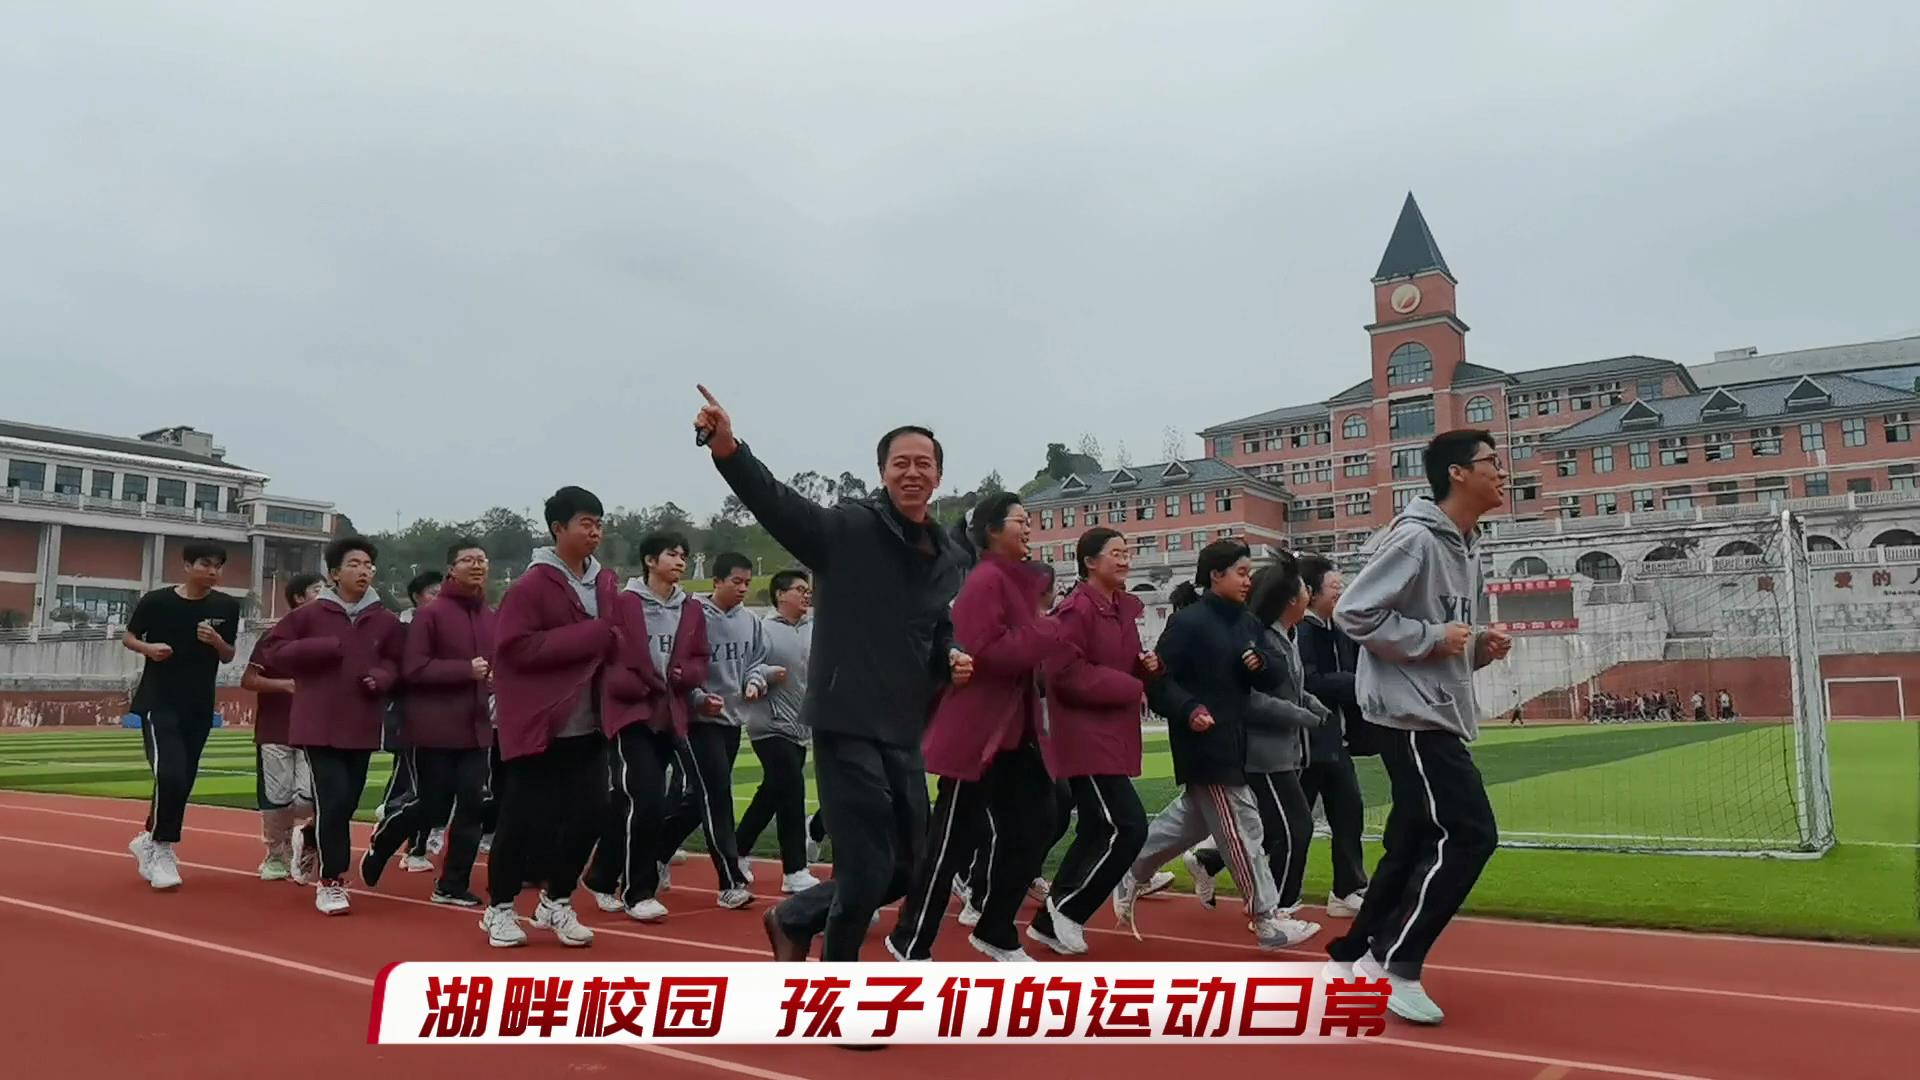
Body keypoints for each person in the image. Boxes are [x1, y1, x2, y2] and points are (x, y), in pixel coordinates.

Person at [695, 386, 967, 964]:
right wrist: (728, 449)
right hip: (846, 719)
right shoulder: (847, 531)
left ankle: (794, 916)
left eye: (924, 464)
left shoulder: (946, 558)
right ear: (883, 473)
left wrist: (950, 653)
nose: (912, 473)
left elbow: (936, 624)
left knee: (907, 865)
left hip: (905, 725)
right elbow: (778, 504)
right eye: (901, 464)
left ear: (939, 476)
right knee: (867, 871)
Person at [1324, 429, 1512, 1026]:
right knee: (1470, 833)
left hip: (1438, 708)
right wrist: (1434, 639)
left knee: (1410, 840)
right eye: (1491, 462)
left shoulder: (1467, 544)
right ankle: (1396, 965)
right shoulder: (1415, 540)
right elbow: (1354, 611)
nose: (1502, 471)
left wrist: (1477, 646)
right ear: (1458, 473)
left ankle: (1356, 953)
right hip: (1410, 716)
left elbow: (1447, 635)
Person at [890, 493, 1067, 962]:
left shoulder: (1015, 583)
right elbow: (986, 651)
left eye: (1031, 521)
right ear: (992, 530)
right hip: (979, 735)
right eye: (1020, 521)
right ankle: (910, 939)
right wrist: (1048, 632)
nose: (1029, 528)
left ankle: (995, 928)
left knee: (1040, 823)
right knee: (950, 842)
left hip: (1015, 733)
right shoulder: (984, 581)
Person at [1112, 539, 1305, 951]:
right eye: (1240, 572)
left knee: (1187, 824)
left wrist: (1261, 664)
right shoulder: (1188, 625)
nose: (1247, 580)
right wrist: (1190, 709)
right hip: (1204, 742)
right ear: (1215, 575)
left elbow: (1270, 677)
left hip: (1235, 740)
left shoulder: (1244, 621)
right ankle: (1266, 919)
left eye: (1249, 573)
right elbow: (1159, 681)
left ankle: (1128, 868)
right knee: (1243, 827)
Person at [481, 486, 618, 948]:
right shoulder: (531, 586)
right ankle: (499, 909)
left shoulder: (604, 582)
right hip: (540, 724)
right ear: (558, 528)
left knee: (593, 814)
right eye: (585, 522)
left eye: (599, 522)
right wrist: (590, 636)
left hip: (590, 723)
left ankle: (556, 901)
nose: (595, 530)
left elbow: (613, 640)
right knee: (523, 819)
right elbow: (513, 649)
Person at [1024, 527, 1157, 956]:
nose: (1124, 559)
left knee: (1098, 827)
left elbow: (1119, 664)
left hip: (1111, 733)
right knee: (1129, 826)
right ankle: (1068, 909)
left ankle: (1050, 919)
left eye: (1127, 551)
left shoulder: (1119, 609)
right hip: (1085, 736)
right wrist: (1126, 685)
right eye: (1115, 553)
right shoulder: (1076, 609)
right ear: (1090, 563)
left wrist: (1146, 668)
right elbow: (1063, 674)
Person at [254, 536, 403, 915]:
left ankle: (309, 836)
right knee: (333, 799)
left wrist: (382, 678)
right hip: (317, 724)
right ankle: (332, 880)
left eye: (369, 564)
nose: (364, 570)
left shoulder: (385, 620)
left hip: (362, 723)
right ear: (335, 573)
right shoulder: (309, 616)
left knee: (346, 804)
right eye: (354, 564)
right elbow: (273, 652)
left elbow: (398, 663)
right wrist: (319, 648)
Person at [360, 540, 496, 907]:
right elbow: (413, 669)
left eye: (482, 560)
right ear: (452, 569)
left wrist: (493, 678)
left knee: (473, 805)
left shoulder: (490, 616)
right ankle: (385, 840)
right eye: (468, 560)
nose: (477, 565)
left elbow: (495, 666)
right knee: (433, 806)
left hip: (476, 727)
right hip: (433, 726)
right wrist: (464, 671)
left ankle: (451, 883)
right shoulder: (431, 615)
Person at [584, 531, 709, 922]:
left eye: (684, 555)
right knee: (648, 799)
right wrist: (634, 683)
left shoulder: (690, 609)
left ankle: (602, 876)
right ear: (650, 561)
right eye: (672, 554)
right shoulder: (624, 604)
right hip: (630, 714)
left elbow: (700, 657)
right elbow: (607, 656)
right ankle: (639, 892)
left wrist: (684, 674)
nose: (680, 560)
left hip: (670, 715)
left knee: (630, 802)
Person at [124, 540, 243, 891]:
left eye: (218, 566)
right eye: (206, 564)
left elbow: (229, 655)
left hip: (199, 704)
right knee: (170, 772)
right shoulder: (157, 601)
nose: (213, 571)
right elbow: (129, 637)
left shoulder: (226, 606)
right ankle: (161, 847)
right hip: (159, 701)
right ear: (187, 566)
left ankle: (149, 838)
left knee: (184, 779)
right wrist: (149, 649)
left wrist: (217, 641)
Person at [655, 552, 767, 909]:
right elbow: (678, 664)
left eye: (747, 583)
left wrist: (754, 682)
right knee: (717, 795)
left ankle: (654, 854)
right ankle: (730, 880)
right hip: (697, 720)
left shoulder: (750, 621)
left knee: (698, 798)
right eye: (736, 582)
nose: (743, 589)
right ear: (716, 581)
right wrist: (699, 697)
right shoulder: (693, 615)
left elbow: (757, 661)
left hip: (732, 719)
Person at [735, 568, 823, 895]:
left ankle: (737, 849)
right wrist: (764, 676)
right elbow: (749, 667)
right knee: (792, 790)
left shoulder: (816, 629)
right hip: (768, 725)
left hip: (801, 727)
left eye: (807, 589)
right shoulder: (764, 630)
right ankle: (795, 869)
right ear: (780, 595)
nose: (806, 594)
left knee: (772, 792)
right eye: (799, 589)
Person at [1292, 552, 1371, 916]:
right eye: (1334, 587)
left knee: (1349, 812)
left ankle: (1347, 889)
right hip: (1305, 744)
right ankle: (1275, 896)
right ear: (1310, 591)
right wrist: (1360, 684)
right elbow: (1310, 680)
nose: (1341, 592)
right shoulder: (1302, 632)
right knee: (1293, 826)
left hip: (1335, 742)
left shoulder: (1338, 629)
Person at [243, 571, 323, 884]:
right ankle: (275, 855)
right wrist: (285, 685)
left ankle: (305, 840)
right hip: (276, 729)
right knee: (277, 797)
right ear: (299, 598)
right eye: (317, 590)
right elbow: (248, 680)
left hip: (316, 730)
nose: (324, 594)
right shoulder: (275, 634)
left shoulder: (332, 635)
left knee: (308, 796)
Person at [377, 570, 443, 873]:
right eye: (433, 591)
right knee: (408, 779)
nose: (439, 596)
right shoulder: (402, 628)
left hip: (440, 717)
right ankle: (394, 835)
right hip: (408, 715)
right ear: (417, 596)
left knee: (430, 782)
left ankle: (415, 846)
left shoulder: (447, 627)